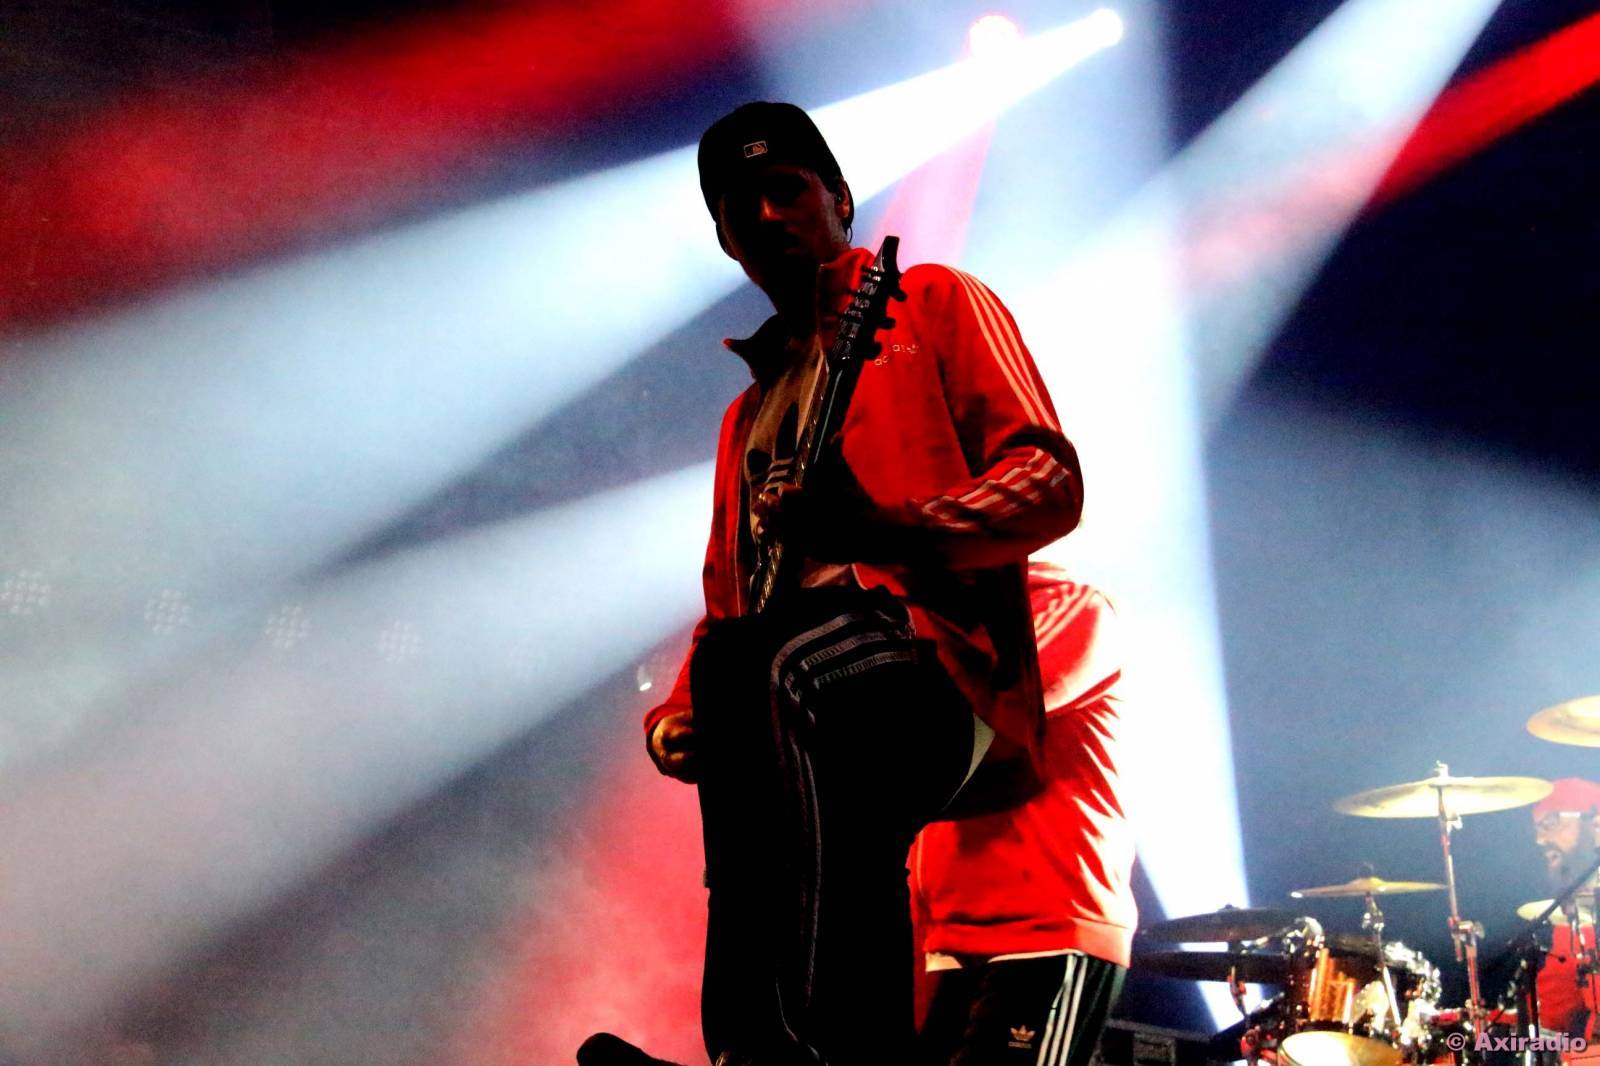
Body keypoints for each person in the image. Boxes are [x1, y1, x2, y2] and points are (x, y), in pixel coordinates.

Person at [581, 101, 1083, 1066]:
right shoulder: (749, 413)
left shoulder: (930, 303)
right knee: (763, 708)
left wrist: (889, 529)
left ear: (841, 200)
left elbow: (1048, 479)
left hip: (936, 660)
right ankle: (776, 1049)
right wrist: (677, 713)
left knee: (769, 671)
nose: (768, 215)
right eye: (741, 207)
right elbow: (728, 605)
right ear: (724, 240)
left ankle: (774, 1048)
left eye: (787, 190)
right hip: (797, 678)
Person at [912, 562, 1134, 1066]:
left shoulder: (1073, 606)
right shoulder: (936, 621)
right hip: (951, 930)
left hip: (1047, 926)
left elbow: (982, 724)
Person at [1529, 779, 1600, 1040]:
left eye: (1552, 822)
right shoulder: (1575, 918)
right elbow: (1553, 1011)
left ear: (1596, 824)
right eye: (1537, 827)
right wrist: (1476, 1028)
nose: (1540, 839)